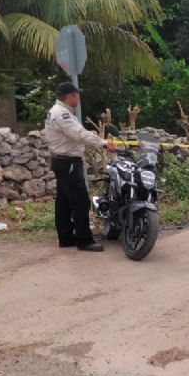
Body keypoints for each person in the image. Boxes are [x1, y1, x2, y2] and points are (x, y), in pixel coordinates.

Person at [44, 82, 109, 252]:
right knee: (80, 201)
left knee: (64, 201)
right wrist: (102, 143)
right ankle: (84, 240)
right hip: (68, 162)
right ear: (70, 96)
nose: (78, 98)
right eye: (76, 95)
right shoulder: (62, 114)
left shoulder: (57, 112)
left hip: (62, 161)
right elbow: (78, 134)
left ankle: (66, 238)